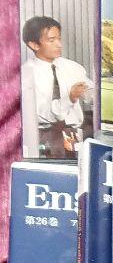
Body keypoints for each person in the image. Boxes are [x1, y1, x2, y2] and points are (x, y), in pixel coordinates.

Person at [21, 15, 91, 159]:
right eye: (52, 40)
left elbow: (91, 95)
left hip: (73, 134)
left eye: (59, 38)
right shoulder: (26, 75)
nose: (59, 45)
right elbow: (45, 114)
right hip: (46, 138)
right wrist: (70, 98)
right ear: (34, 45)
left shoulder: (73, 67)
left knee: (77, 168)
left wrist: (90, 93)